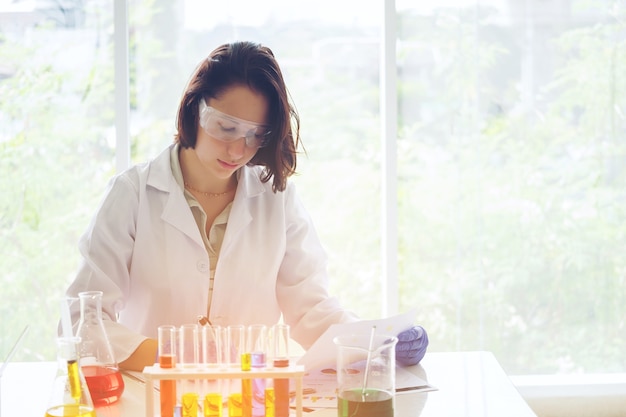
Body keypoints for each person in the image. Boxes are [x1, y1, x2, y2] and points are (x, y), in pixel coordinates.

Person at [64, 41, 428, 371]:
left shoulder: (277, 199)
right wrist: (170, 358)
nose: (239, 150)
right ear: (194, 110)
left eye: (256, 135)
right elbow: (83, 318)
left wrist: (378, 342)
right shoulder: (132, 194)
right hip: (154, 396)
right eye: (225, 127)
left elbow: (311, 310)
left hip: (248, 398)